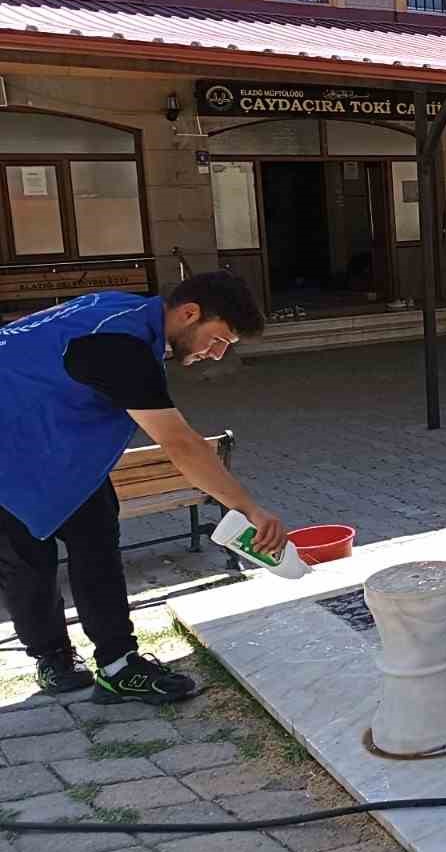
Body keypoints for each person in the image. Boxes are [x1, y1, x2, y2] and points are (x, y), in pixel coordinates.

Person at [0, 272, 289, 704]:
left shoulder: (129, 314)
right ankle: (52, 657)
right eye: (219, 339)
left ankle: (119, 664)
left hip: (58, 446)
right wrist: (248, 509)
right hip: (11, 448)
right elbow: (181, 445)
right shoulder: (121, 346)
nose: (216, 354)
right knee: (26, 561)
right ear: (190, 313)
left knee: (97, 544)